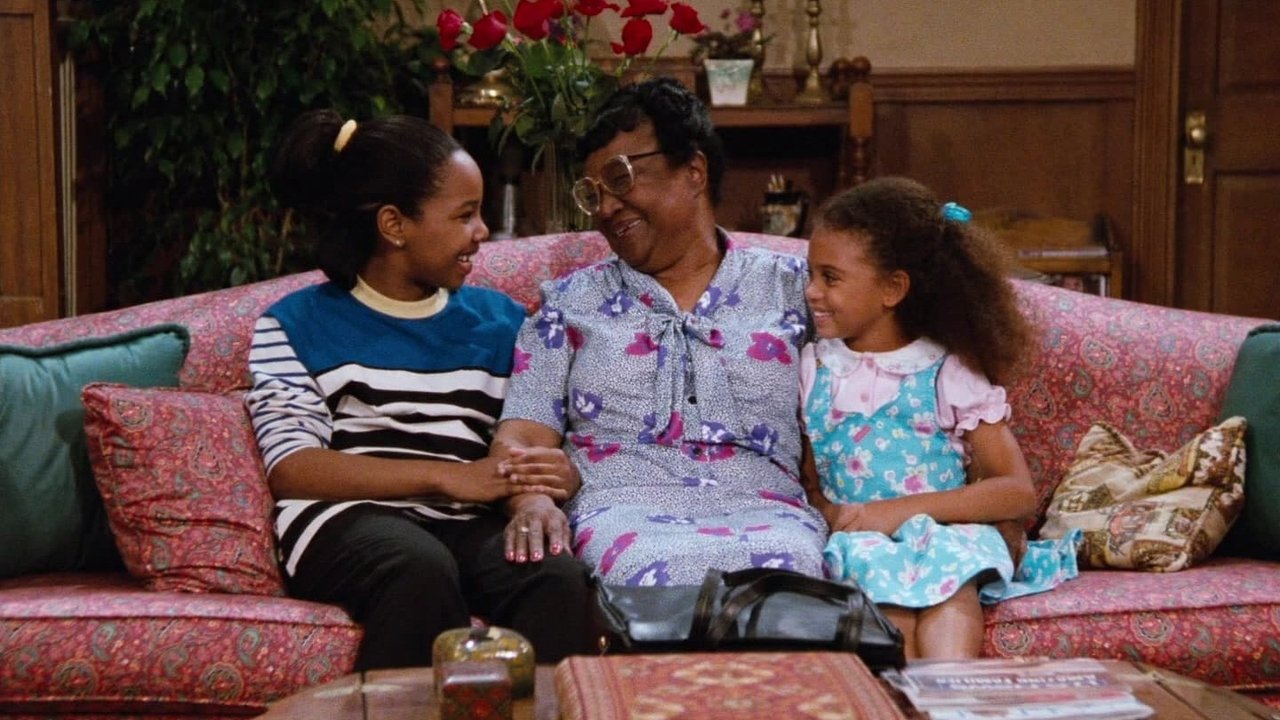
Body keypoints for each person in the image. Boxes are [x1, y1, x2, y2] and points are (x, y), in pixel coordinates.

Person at [245, 109, 592, 670]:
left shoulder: (503, 322)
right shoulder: (293, 324)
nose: (482, 232)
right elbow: (293, 468)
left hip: (465, 521)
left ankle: (548, 708)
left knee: (554, 575)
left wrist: (546, 480)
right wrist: (449, 476)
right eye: (464, 215)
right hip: (345, 518)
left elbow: (527, 438)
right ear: (394, 225)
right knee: (419, 568)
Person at [492, 76, 828, 587]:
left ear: (694, 170)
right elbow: (523, 435)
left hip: (773, 514)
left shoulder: (795, 289)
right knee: (645, 571)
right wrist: (533, 501)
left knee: (792, 571)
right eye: (593, 194)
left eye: (620, 178)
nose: (606, 208)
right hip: (620, 517)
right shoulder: (568, 304)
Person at [799, 176, 1082, 659]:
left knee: (949, 586)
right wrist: (833, 515)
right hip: (862, 541)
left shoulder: (945, 371)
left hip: (944, 535)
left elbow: (1015, 490)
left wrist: (894, 512)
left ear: (893, 289)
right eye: (811, 274)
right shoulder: (813, 369)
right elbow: (808, 482)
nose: (811, 291)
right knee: (885, 600)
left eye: (830, 277)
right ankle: (900, 697)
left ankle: (952, 693)